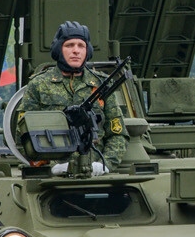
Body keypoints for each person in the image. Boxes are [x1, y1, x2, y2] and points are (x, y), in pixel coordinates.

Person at [19, 21, 126, 173]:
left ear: (87, 50)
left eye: (81, 46)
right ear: (59, 49)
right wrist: (49, 166)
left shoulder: (100, 84)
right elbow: (22, 135)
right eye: (69, 45)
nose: (76, 51)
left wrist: (105, 164)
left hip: (95, 172)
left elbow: (118, 133)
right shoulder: (39, 84)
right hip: (53, 176)